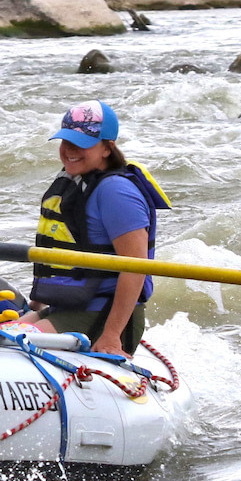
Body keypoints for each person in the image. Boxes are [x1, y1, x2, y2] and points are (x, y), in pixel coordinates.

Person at [18, 101, 172, 357]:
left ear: (107, 148)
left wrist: (111, 337)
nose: (69, 150)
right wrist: (35, 307)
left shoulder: (116, 192)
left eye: (81, 143)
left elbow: (136, 266)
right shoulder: (76, 181)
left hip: (101, 316)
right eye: (65, 141)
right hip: (69, 309)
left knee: (13, 344)